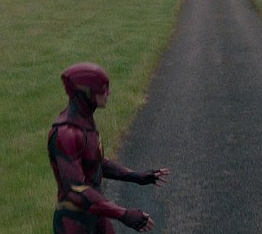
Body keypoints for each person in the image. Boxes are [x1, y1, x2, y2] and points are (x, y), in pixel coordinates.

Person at [48, 62, 171, 233]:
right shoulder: (67, 134)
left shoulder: (85, 123)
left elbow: (97, 163)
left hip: (96, 213)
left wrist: (137, 176)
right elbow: (75, 191)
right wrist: (123, 214)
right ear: (86, 92)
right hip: (74, 222)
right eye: (103, 88)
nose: (109, 92)